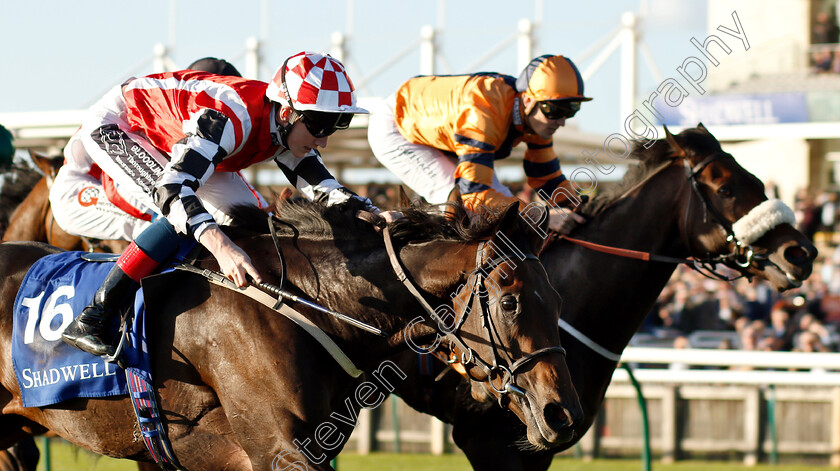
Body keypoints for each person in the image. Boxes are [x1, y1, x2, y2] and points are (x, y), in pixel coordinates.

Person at [54, 51, 394, 357]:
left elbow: (324, 190)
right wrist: (221, 247)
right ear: (288, 112)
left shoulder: (286, 125)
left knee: (251, 221)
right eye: (319, 124)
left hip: (178, 135)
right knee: (182, 218)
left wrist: (375, 217)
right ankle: (94, 315)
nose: (324, 139)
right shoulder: (228, 119)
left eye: (337, 124)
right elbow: (173, 190)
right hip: (121, 125)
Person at [367, 54, 592, 233]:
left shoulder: (537, 118)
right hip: (394, 127)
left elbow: (547, 178)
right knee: (463, 208)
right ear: (527, 99)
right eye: (554, 110)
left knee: (502, 200)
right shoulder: (485, 113)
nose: (561, 121)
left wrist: (581, 210)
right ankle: (394, 221)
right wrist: (541, 217)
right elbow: (475, 196)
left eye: (571, 109)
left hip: (439, 133)